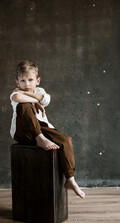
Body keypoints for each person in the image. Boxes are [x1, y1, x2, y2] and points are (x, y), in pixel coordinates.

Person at [10, 60, 85, 198]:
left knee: (66, 140)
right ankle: (40, 139)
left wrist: (36, 99)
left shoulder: (40, 91)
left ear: (38, 81)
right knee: (23, 105)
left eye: (30, 80)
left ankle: (70, 179)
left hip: (42, 127)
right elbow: (17, 97)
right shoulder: (15, 92)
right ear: (17, 82)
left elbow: (44, 99)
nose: (27, 84)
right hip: (23, 132)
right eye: (23, 81)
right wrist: (34, 101)